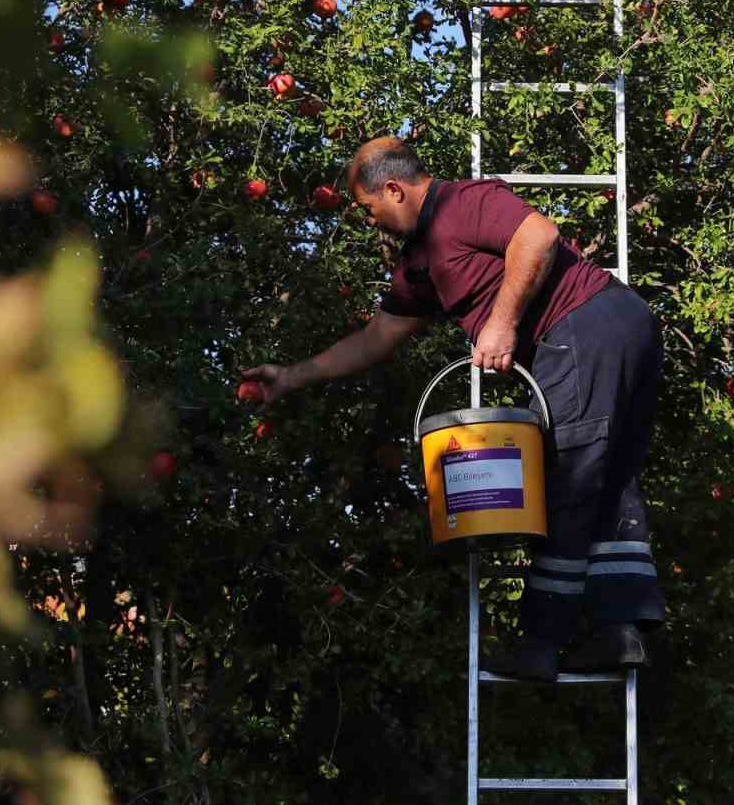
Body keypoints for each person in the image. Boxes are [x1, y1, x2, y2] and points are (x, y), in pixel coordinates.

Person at [241, 136, 665, 681]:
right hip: (618, 329)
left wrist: (502, 322)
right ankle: (618, 629)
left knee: (569, 478)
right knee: (606, 478)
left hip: (586, 325)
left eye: (369, 210)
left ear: (393, 189)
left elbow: (538, 235)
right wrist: (291, 376)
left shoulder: (463, 204)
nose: (370, 223)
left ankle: (540, 642)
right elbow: (376, 338)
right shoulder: (420, 265)